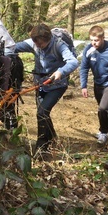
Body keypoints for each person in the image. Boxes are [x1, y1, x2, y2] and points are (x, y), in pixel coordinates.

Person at [14, 24, 78, 154]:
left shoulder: (59, 45)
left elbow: (73, 61)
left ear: (48, 39)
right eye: (36, 44)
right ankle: (52, 138)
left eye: (41, 44)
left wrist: (61, 72)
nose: (38, 47)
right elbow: (13, 47)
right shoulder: (33, 43)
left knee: (42, 113)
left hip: (57, 86)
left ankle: (42, 147)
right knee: (43, 113)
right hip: (41, 84)